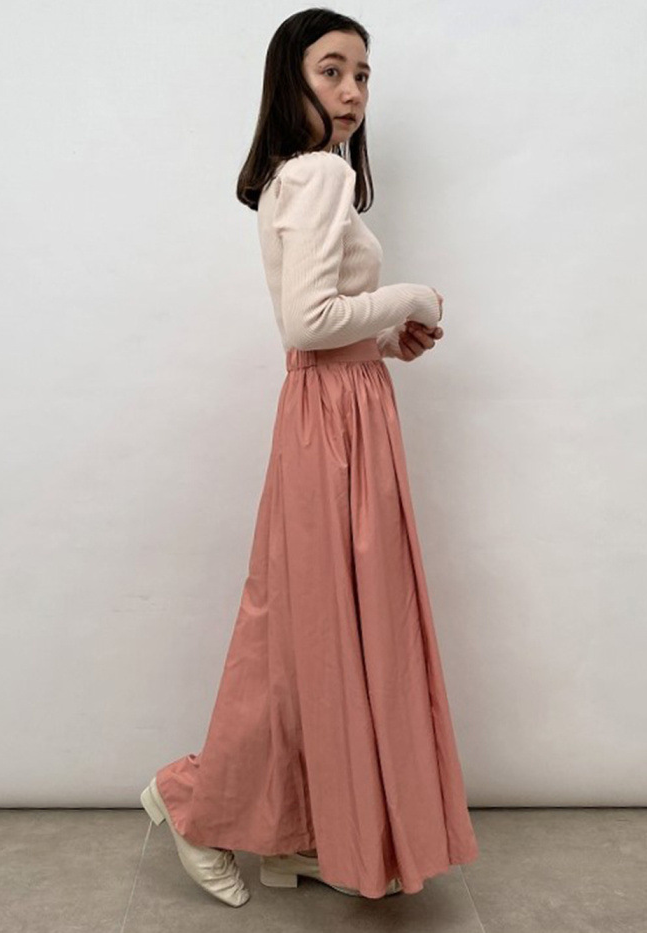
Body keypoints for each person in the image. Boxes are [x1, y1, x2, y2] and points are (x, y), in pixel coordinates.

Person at [140, 8, 479, 907]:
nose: (352, 91)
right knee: (316, 635)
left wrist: (388, 339)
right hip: (338, 421)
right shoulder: (323, 172)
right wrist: (412, 296)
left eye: (363, 74)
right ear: (289, 79)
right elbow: (306, 320)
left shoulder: (300, 176)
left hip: (329, 406)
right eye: (332, 70)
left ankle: (301, 834)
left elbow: (325, 321)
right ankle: (193, 802)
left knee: (317, 633)